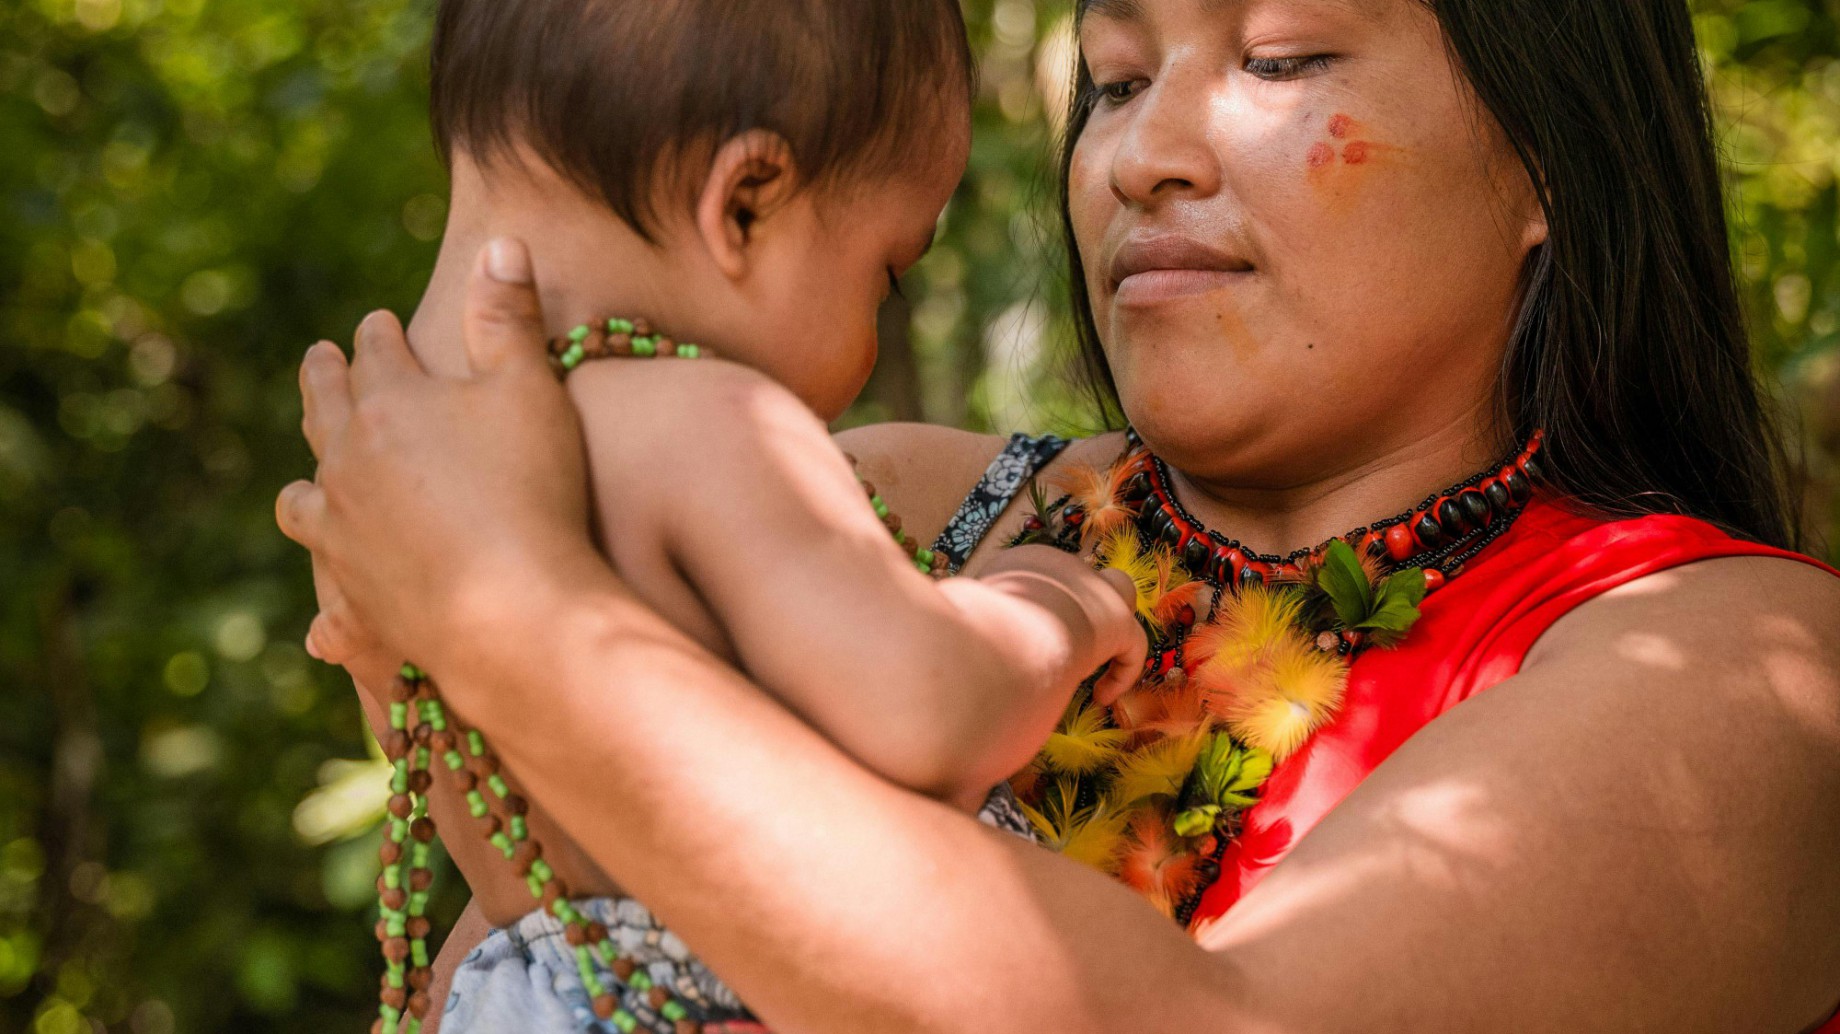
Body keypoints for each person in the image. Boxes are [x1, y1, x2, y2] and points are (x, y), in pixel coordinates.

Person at [282, 0, 1840, 1029]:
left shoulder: (1746, 668)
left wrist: (506, 615)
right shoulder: (867, 494)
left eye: (1285, 58)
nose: (1144, 156)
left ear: (1551, 155)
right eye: (1111, 80)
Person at [315, 1, 1149, 1031]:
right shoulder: (706, 421)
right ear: (744, 204)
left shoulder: (382, 493)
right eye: (884, 273)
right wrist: (1048, 598)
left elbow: (471, 811)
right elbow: (922, 709)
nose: (874, 345)